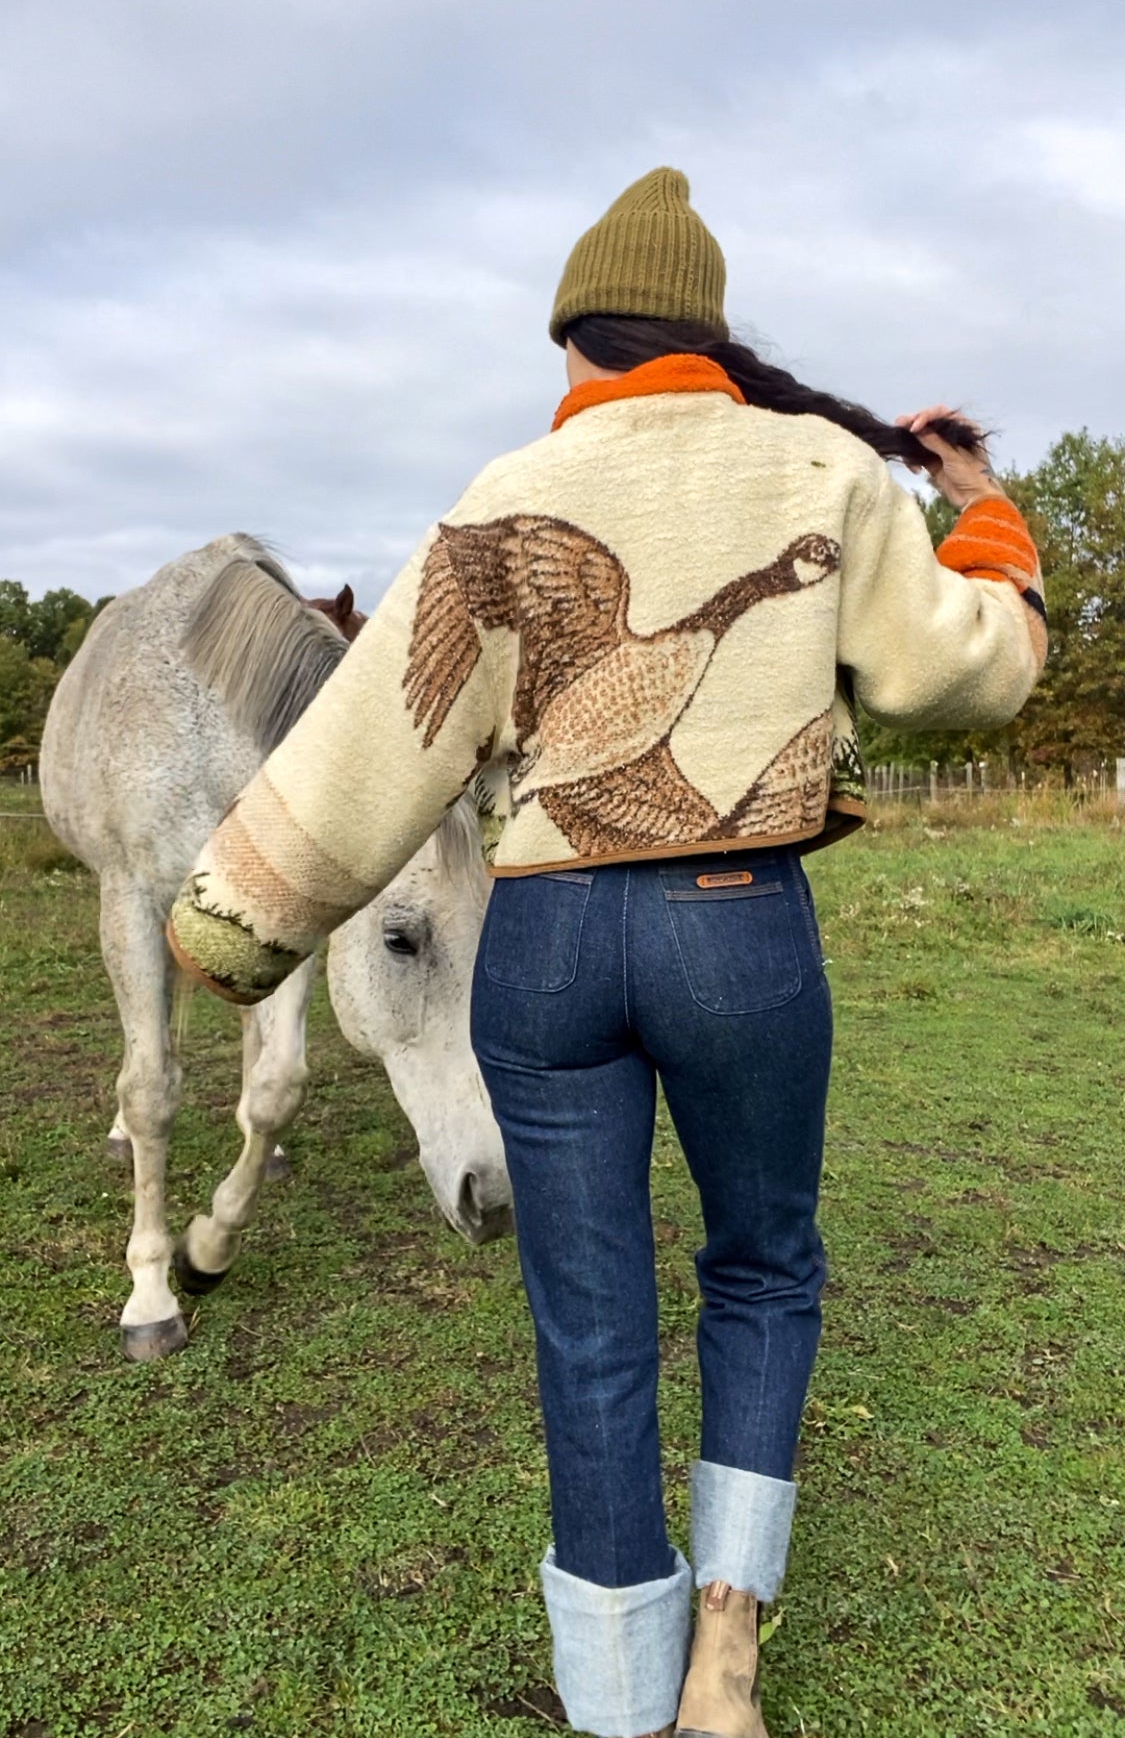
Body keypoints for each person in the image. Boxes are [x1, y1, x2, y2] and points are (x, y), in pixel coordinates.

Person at [168, 169, 1046, 1738]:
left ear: (573, 337)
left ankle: (617, 1695)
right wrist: (983, 517)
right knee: (760, 1268)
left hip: (550, 943)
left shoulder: (503, 494)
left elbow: (376, 741)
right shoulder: (819, 466)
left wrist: (235, 920)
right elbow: (955, 675)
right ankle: (724, 1660)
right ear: (706, 329)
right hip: (734, 926)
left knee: (586, 1318)